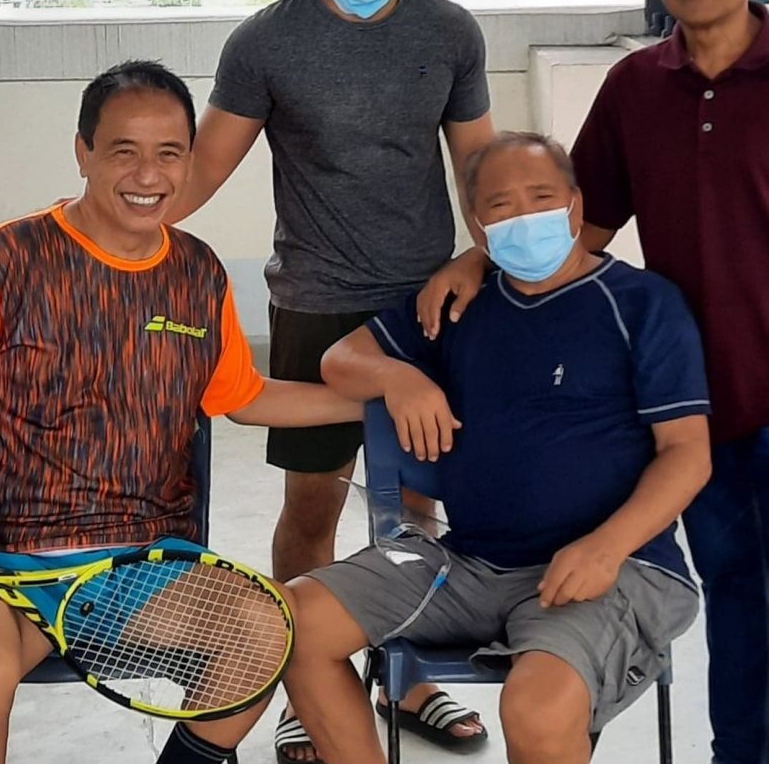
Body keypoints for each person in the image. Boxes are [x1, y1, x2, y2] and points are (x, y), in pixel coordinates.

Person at [0, 60, 394, 764]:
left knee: (262, 640)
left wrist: (379, 402)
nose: (146, 175)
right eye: (123, 151)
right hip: (0, 565)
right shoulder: (4, 261)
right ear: (83, 153)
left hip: (144, 561)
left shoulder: (196, 272)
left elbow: (242, 397)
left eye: (168, 154)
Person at [170, 0, 494, 759]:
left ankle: (409, 674)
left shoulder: (447, 32)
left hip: (426, 309)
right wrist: (98, 232)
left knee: (420, 511)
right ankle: (303, 688)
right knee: (313, 510)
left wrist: (487, 259)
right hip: (314, 301)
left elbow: (478, 170)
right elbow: (199, 172)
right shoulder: (266, 42)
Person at [284, 131, 711, 764]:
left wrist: (606, 546)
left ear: (574, 205)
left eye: (541, 198)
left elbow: (687, 453)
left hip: (614, 564)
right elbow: (340, 360)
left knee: (536, 706)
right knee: (292, 623)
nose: (525, 217)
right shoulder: (459, 306)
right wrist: (398, 376)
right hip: (472, 564)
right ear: (477, 228)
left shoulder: (641, 304)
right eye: (502, 206)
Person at [570, 0, 769, 764]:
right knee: (736, 591)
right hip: (705, 400)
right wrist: (477, 260)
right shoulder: (633, 87)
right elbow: (582, 230)